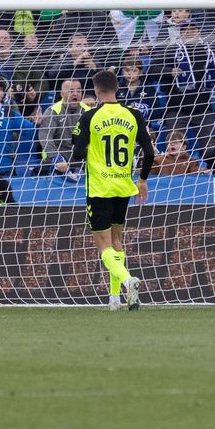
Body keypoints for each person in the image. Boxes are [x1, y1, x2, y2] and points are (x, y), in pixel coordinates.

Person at [69, 69, 156, 311]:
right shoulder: (133, 114)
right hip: (123, 186)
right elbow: (149, 153)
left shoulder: (90, 117)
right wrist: (142, 180)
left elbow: (76, 153)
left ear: (96, 90)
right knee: (117, 241)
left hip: (99, 187)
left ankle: (128, 281)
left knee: (103, 245)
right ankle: (114, 299)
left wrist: (85, 148)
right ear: (117, 88)